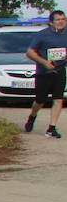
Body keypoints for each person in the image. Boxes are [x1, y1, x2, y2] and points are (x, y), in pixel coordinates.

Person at [24, 9, 67, 138]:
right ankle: (32, 116)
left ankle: (51, 128)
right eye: (58, 20)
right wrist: (44, 62)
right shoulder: (42, 35)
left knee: (58, 99)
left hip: (59, 71)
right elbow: (30, 52)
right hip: (44, 73)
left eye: (63, 19)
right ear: (51, 22)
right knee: (40, 101)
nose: (61, 22)